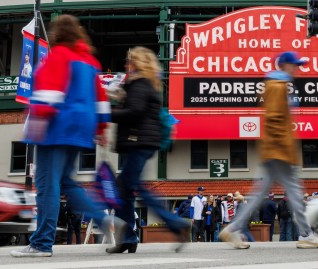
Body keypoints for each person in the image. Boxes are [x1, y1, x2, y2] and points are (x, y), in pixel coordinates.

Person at [11, 15, 121, 258]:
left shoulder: (59, 55)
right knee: (68, 183)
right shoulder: (89, 61)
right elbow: (100, 99)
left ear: (57, 33)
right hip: (81, 130)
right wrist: (102, 128)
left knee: (46, 184)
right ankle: (105, 220)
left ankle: (41, 243)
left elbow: (49, 93)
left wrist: (37, 121)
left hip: (56, 127)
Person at [219, 51, 318, 250]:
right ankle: (306, 235)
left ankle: (233, 229)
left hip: (274, 150)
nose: (298, 69)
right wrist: (283, 149)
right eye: (295, 65)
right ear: (285, 65)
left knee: (259, 194)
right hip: (279, 150)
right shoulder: (277, 86)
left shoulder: (277, 85)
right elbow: (273, 118)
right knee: (295, 192)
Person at [109, 46, 189, 253]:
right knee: (124, 190)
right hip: (139, 142)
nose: (126, 65)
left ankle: (176, 224)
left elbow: (135, 112)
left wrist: (106, 113)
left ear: (137, 63)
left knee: (135, 189)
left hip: (139, 142)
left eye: (129, 61)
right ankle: (128, 238)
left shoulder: (141, 84)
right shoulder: (142, 85)